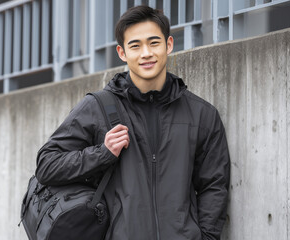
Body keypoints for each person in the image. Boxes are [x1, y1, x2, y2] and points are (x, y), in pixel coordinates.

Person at [35, 5, 230, 240]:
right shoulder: (98, 107)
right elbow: (47, 165)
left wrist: (206, 237)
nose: (146, 53)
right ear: (122, 52)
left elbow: (214, 185)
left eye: (154, 43)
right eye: (135, 46)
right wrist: (102, 153)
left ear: (169, 45)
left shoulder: (201, 114)